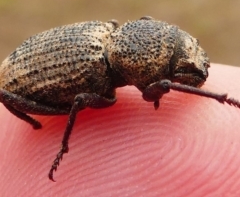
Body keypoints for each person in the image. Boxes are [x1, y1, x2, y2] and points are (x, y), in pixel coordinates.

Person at [0, 64, 240, 196]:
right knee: (78, 99)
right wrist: (35, 124)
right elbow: (161, 86)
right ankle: (224, 99)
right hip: (23, 78)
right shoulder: (99, 73)